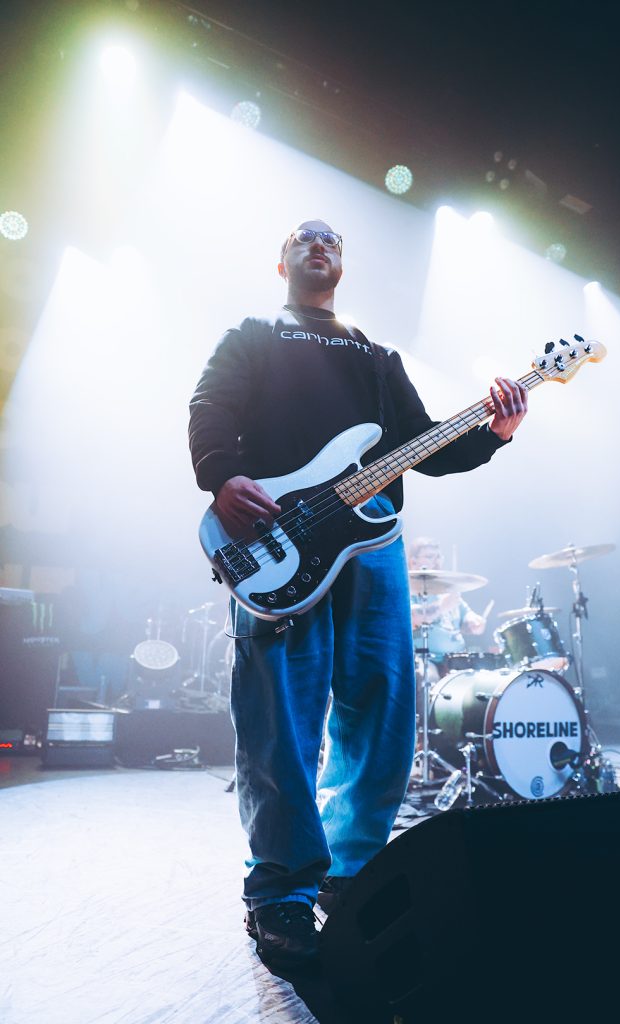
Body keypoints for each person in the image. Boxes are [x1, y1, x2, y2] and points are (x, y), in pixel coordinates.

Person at [188, 219, 528, 969]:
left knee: (381, 707)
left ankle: (350, 875)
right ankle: (279, 893)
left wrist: (493, 432)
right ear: (280, 260)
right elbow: (209, 404)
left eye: (333, 241)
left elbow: (427, 444)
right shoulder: (252, 334)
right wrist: (219, 477)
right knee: (281, 716)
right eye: (306, 240)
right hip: (279, 540)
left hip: (374, 546)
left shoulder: (375, 354)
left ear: (342, 263)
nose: (320, 247)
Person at [408, 536, 488, 671]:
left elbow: (467, 619)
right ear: (413, 562)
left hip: (457, 660)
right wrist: (441, 606)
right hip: (426, 660)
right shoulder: (408, 590)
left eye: (439, 556)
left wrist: (475, 623)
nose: (436, 561)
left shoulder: (448, 592)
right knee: (424, 675)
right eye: (429, 556)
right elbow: (411, 618)